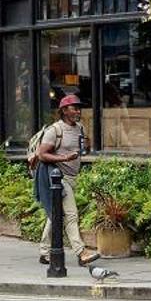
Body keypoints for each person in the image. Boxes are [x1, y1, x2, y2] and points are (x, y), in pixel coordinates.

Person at [29, 95, 99, 268]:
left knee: (55, 215)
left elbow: (83, 150)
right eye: (74, 108)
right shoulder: (55, 130)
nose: (78, 111)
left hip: (72, 177)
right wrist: (65, 157)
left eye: (78, 108)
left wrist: (87, 146)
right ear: (64, 111)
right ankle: (81, 252)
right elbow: (42, 154)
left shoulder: (80, 128)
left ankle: (45, 253)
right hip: (57, 177)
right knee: (71, 214)